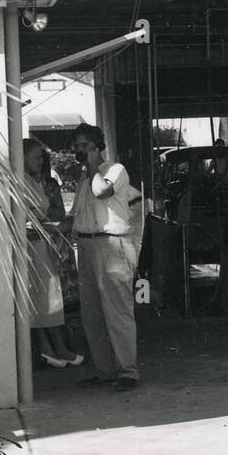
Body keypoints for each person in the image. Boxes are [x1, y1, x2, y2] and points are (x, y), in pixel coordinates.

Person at [68, 124, 140, 392]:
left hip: (111, 244)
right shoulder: (83, 181)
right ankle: (105, 370)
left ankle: (127, 372)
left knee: (117, 312)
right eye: (76, 146)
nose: (79, 151)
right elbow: (74, 217)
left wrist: (92, 167)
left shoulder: (114, 171)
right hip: (86, 247)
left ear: (98, 147)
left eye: (85, 145)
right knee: (92, 314)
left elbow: (102, 192)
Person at [22, 139, 84, 370]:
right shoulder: (19, 182)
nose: (41, 162)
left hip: (42, 242)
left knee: (50, 298)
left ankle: (56, 348)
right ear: (23, 156)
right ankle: (51, 348)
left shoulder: (37, 182)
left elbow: (51, 211)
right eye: (37, 157)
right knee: (42, 299)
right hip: (31, 244)